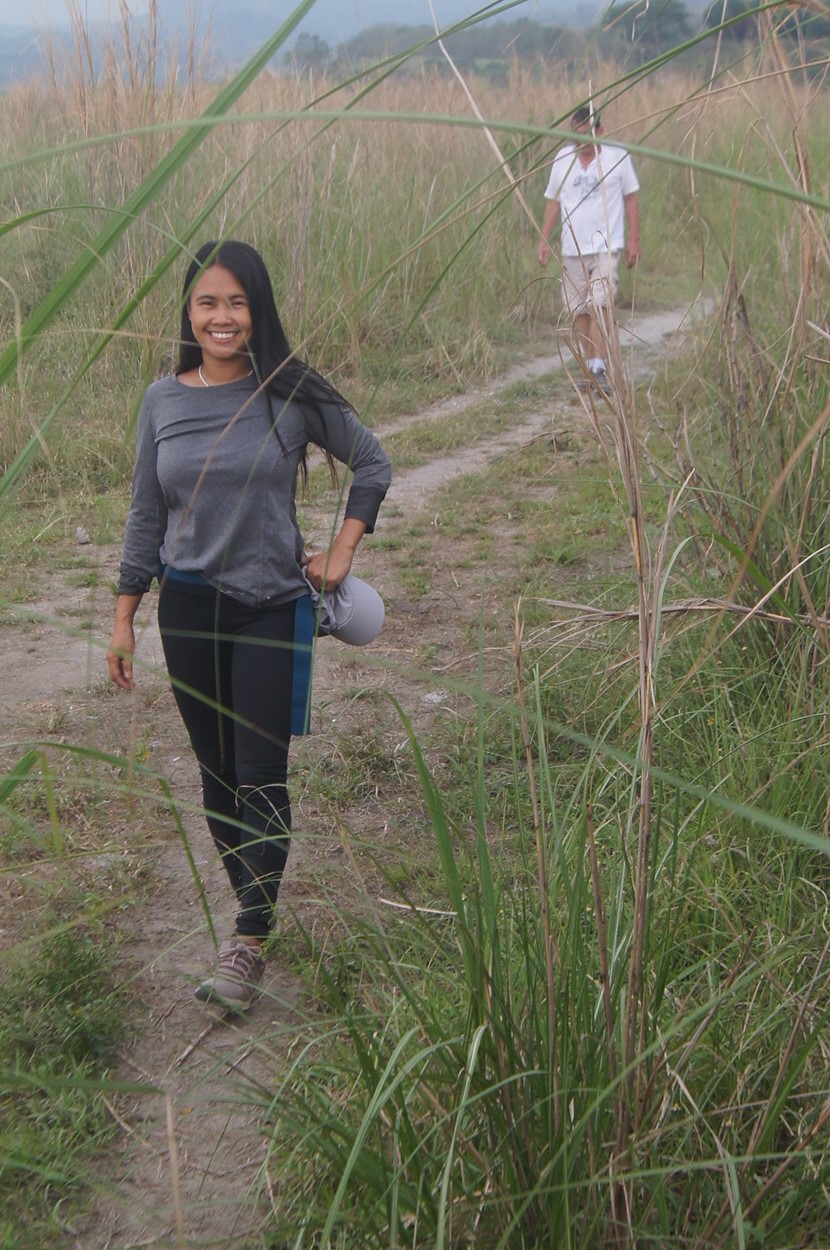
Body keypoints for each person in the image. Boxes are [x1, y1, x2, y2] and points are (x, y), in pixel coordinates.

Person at [107, 240, 392, 1011]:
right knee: (217, 773)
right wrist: (125, 616)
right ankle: (252, 902)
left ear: (258, 310)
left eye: (237, 302)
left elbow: (371, 462)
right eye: (208, 302)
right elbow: (145, 513)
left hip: (270, 605)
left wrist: (342, 550)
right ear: (188, 311)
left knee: (261, 775)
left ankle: (248, 937)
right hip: (187, 606)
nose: (222, 317)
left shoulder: (289, 391)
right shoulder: (161, 400)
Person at [536, 106, 640, 392]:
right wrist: (543, 239)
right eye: (576, 136)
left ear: (599, 132)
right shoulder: (562, 160)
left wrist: (634, 240)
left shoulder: (617, 158)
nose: (581, 142)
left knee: (600, 303)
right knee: (578, 309)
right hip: (572, 247)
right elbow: (553, 201)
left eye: (586, 135)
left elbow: (631, 198)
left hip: (607, 245)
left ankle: (599, 367)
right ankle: (590, 364)